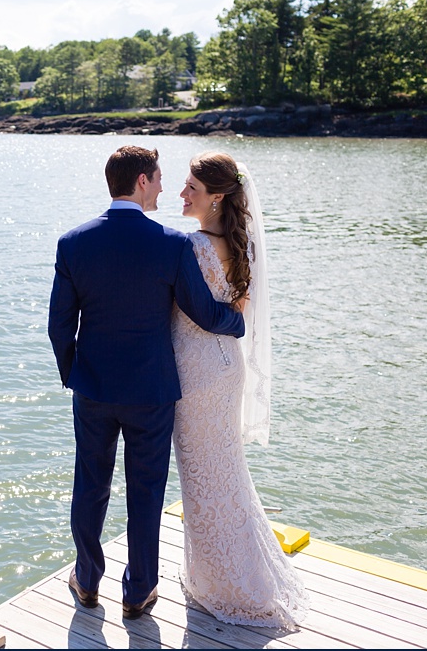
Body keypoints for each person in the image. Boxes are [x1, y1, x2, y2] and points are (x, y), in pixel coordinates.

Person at [47, 145, 245, 620]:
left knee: (90, 485)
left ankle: (88, 580)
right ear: (140, 181)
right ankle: (138, 592)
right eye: (157, 178)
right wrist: (237, 321)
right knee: (146, 492)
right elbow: (201, 312)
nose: (162, 186)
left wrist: (75, 374)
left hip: (92, 387)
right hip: (152, 391)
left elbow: (59, 326)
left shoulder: (73, 242)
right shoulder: (171, 244)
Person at [172, 150, 309, 627]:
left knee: (201, 476)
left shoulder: (190, 247)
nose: (182, 192)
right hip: (227, 367)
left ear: (215, 198)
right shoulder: (242, 244)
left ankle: (222, 583)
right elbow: (239, 311)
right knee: (225, 471)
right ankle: (231, 573)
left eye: (191, 186)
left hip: (196, 373)